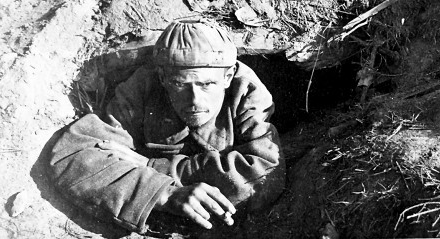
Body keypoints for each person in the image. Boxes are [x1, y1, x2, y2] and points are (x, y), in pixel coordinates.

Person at [49, 20, 285, 234]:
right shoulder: (142, 87)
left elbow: (264, 174)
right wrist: (164, 193)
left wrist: (152, 166)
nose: (195, 100)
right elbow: (74, 153)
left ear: (227, 76)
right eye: (179, 84)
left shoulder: (246, 93)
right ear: (162, 77)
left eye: (207, 84)